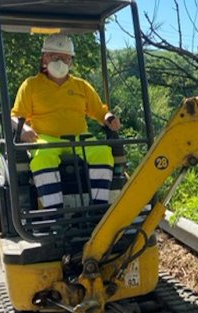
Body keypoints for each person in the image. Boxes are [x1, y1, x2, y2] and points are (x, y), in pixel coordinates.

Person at [11, 34, 120, 210]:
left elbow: (100, 111)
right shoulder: (31, 85)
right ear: (45, 58)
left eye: (64, 58)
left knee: (103, 152)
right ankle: (55, 213)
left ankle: (99, 210)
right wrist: (23, 129)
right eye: (55, 57)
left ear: (71, 61)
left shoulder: (81, 86)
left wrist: (109, 118)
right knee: (43, 158)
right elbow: (15, 116)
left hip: (80, 138)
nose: (60, 62)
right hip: (46, 138)